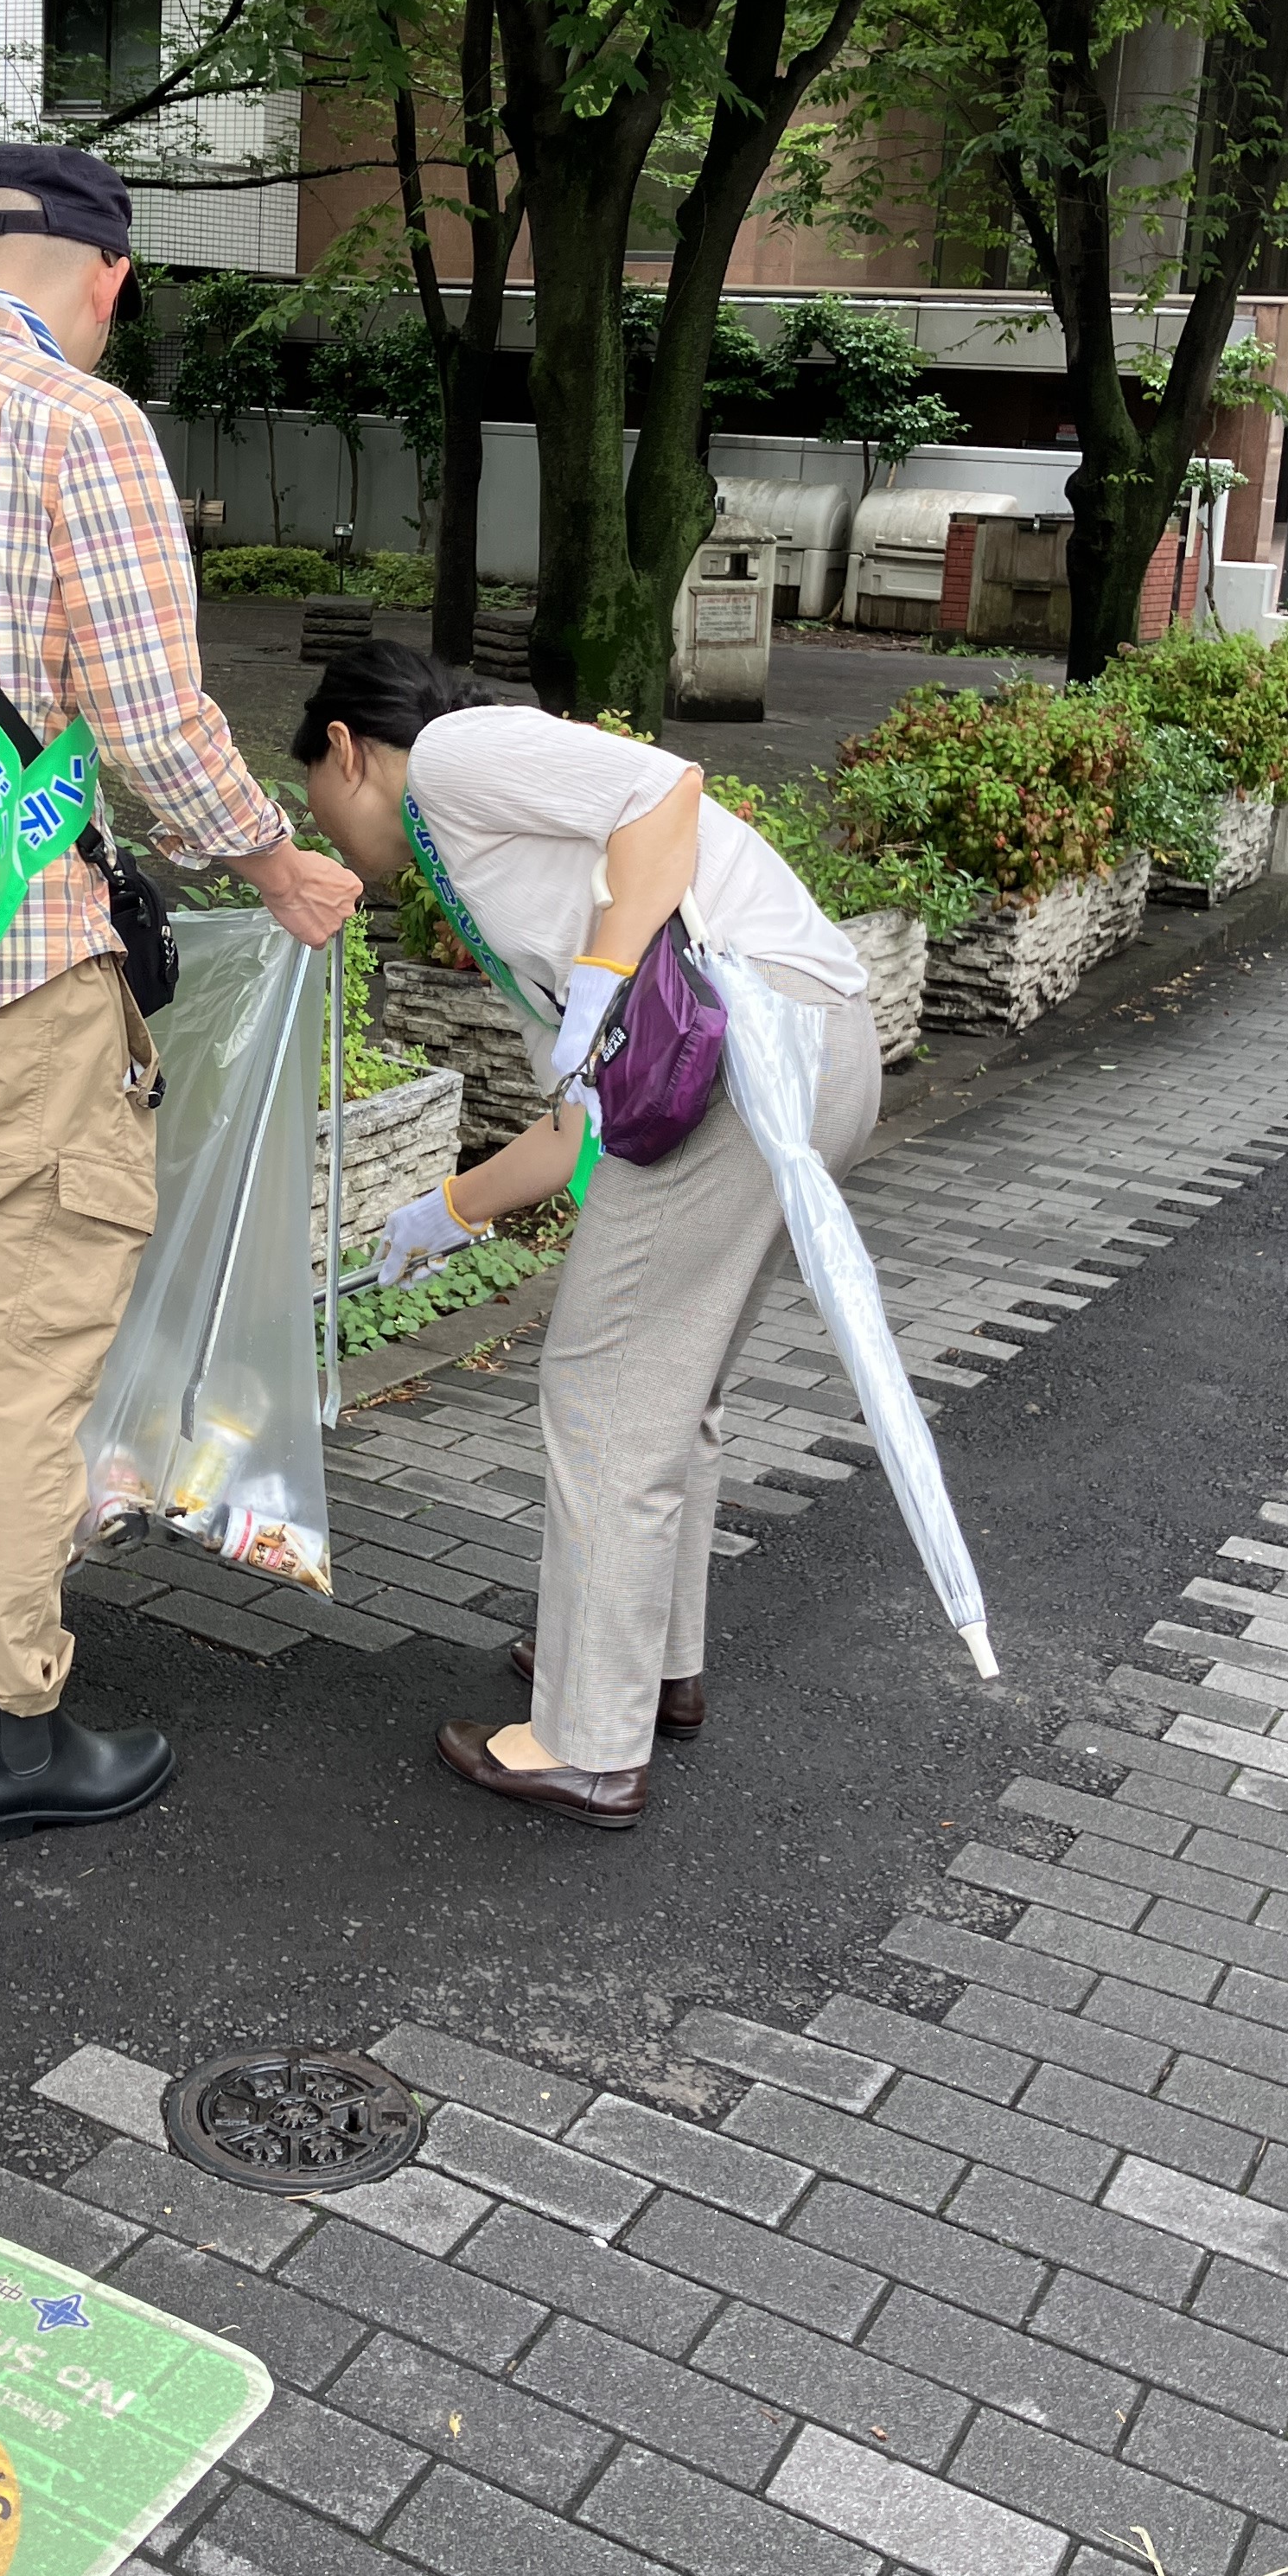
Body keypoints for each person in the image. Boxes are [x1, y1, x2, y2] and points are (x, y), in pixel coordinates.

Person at [0, 143, 359, 1847]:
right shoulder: (80, 427)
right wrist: (272, 863)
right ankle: (5, 1730)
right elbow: (159, 724)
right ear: (103, 280)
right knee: (19, 1360)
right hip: (10, 980)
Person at [293, 642, 880, 1828]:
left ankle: (584, 1741)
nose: (321, 823)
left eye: (309, 787)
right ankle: (653, 1668)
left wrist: (607, 973)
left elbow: (664, 788)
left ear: (347, 751)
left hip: (755, 1052)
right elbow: (579, 1130)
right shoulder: (487, 878)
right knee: (672, 1385)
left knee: (604, 1393)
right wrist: (444, 1210)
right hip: (805, 1049)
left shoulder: (454, 758)